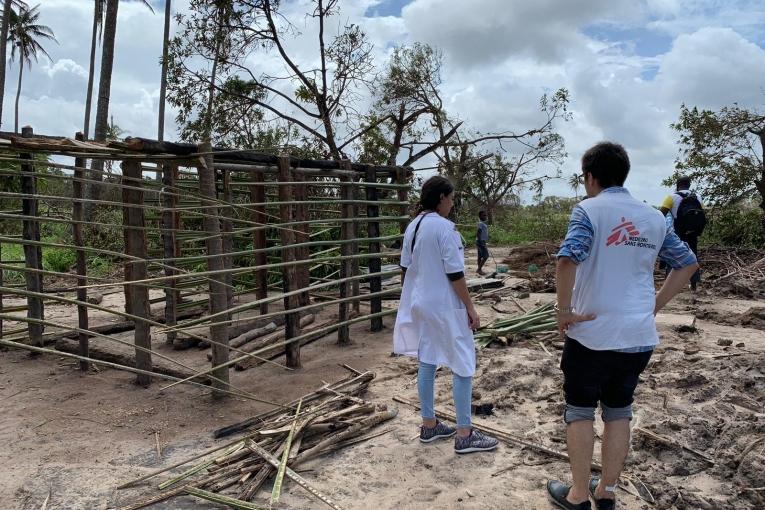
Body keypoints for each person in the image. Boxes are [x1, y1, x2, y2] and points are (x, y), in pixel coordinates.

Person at [547, 142, 699, 510]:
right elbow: (687, 262)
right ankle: (607, 492)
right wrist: (654, 305)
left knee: (580, 410)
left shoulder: (589, 210)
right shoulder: (654, 217)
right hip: (637, 337)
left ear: (590, 177)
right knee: (619, 411)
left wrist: (563, 311)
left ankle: (579, 494)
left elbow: (567, 260)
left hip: (592, 334)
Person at [393, 176, 499, 454]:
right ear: (441, 198)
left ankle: (429, 424)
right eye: (451, 198)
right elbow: (455, 273)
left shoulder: (413, 227)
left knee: (427, 358)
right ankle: (465, 433)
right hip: (443, 304)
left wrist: (414, 300)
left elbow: (405, 269)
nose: (452, 204)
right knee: (463, 360)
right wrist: (470, 308)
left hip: (421, 302)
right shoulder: (445, 228)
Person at [660, 176, 705, 290]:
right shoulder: (698, 197)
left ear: (677, 185)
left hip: (677, 231)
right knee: (693, 256)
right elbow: (701, 214)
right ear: (689, 185)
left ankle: (668, 285)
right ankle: (694, 284)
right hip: (692, 231)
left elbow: (661, 215)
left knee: (673, 255)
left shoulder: (671, 197)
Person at [476, 210, 490, 275]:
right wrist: (481, 242)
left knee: (480, 256)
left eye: (486, 215)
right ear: (480, 216)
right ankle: (479, 269)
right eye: (484, 215)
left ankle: (479, 269)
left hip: (480, 241)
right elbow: (478, 233)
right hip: (480, 242)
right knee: (486, 256)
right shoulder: (481, 223)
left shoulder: (483, 223)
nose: (485, 216)